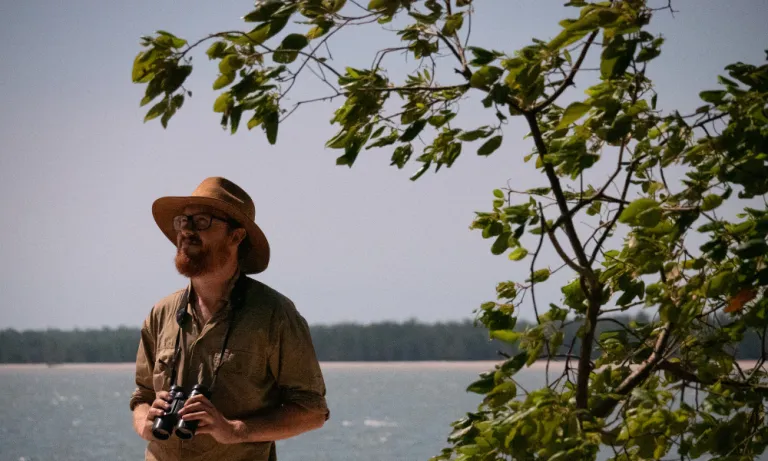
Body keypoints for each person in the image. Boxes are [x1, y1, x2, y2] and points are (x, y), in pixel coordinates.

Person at [129, 177, 329, 461]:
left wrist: (235, 430)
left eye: (202, 222)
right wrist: (144, 422)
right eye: (183, 222)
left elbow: (312, 410)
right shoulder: (161, 313)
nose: (187, 231)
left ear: (236, 237)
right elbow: (142, 396)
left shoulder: (275, 315)